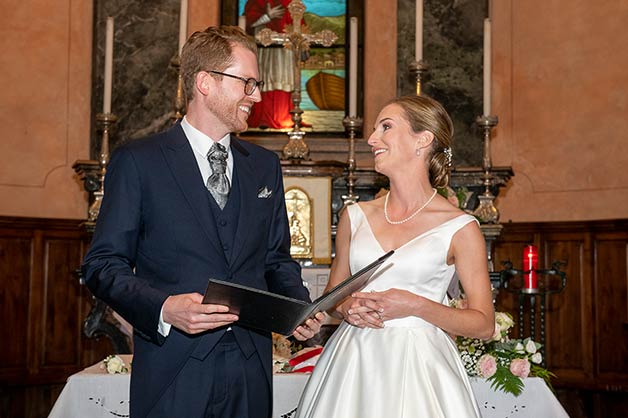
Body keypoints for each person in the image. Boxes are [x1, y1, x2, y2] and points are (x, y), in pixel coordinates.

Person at [81, 26, 322, 418]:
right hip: (172, 369)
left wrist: (298, 308)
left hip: (250, 369)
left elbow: (276, 261)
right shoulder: (139, 161)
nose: (256, 96)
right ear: (205, 82)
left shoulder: (264, 167)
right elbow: (102, 266)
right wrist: (165, 308)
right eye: (246, 82)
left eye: (255, 84)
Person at [295, 95, 495, 418]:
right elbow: (334, 295)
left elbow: (484, 324)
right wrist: (350, 309)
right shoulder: (355, 216)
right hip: (354, 364)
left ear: (423, 139)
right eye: (374, 130)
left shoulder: (460, 227)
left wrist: (414, 305)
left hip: (422, 369)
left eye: (385, 127)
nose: (372, 139)